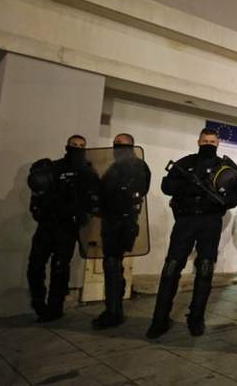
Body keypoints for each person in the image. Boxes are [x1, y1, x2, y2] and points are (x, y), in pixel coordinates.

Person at [146, 128, 237, 339]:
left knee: (205, 268)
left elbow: (235, 195)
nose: (208, 144)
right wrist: (190, 186)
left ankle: (196, 319)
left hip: (210, 221)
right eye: (205, 140)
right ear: (198, 141)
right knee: (171, 267)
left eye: (212, 141)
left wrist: (222, 199)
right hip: (186, 220)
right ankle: (159, 320)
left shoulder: (226, 167)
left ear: (218, 144)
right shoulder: (185, 162)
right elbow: (167, 185)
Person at [27, 135, 99, 322]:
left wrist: (85, 214)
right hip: (47, 224)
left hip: (67, 227)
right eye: (74, 145)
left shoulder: (87, 172)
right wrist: (37, 209)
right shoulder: (54, 167)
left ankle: (55, 308)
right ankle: (38, 304)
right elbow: (38, 191)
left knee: (60, 268)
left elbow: (94, 198)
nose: (77, 148)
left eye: (81, 146)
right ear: (67, 146)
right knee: (35, 266)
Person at [92, 133, 151, 329]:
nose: (118, 147)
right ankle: (114, 307)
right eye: (116, 144)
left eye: (122, 144)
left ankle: (114, 311)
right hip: (110, 222)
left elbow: (138, 191)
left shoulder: (138, 166)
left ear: (132, 146)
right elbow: (103, 191)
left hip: (124, 223)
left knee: (112, 262)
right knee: (113, 264)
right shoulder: (113, 167)